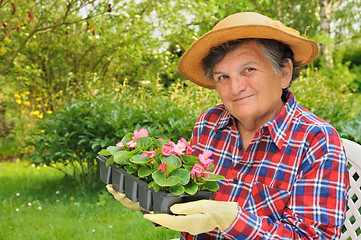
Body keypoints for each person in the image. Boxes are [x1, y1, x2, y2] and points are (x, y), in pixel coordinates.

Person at [107, 12, 350, 239]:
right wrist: (148, 199)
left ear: (284, 72)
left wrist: (231, 220)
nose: (235, 88)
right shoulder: (209, 123)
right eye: (223, 77)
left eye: (249, 70)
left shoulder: (317, 140)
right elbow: (186, 202)